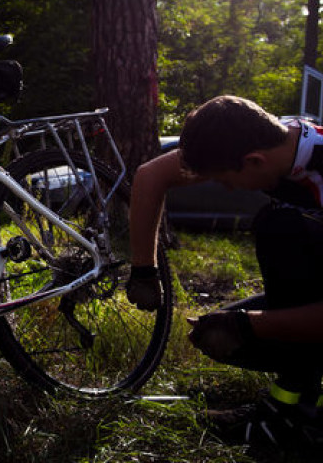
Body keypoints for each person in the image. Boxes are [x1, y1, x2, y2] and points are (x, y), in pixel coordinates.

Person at [126, 94, 323, 449]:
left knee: (279, 228)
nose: (227, 189)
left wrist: (249, 324)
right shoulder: (272, 141)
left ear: (253, 160)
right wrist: (143, 269)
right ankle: (295, 401)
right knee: (220, 337)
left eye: (225, 180)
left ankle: (297, 416)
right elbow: (150, 174)